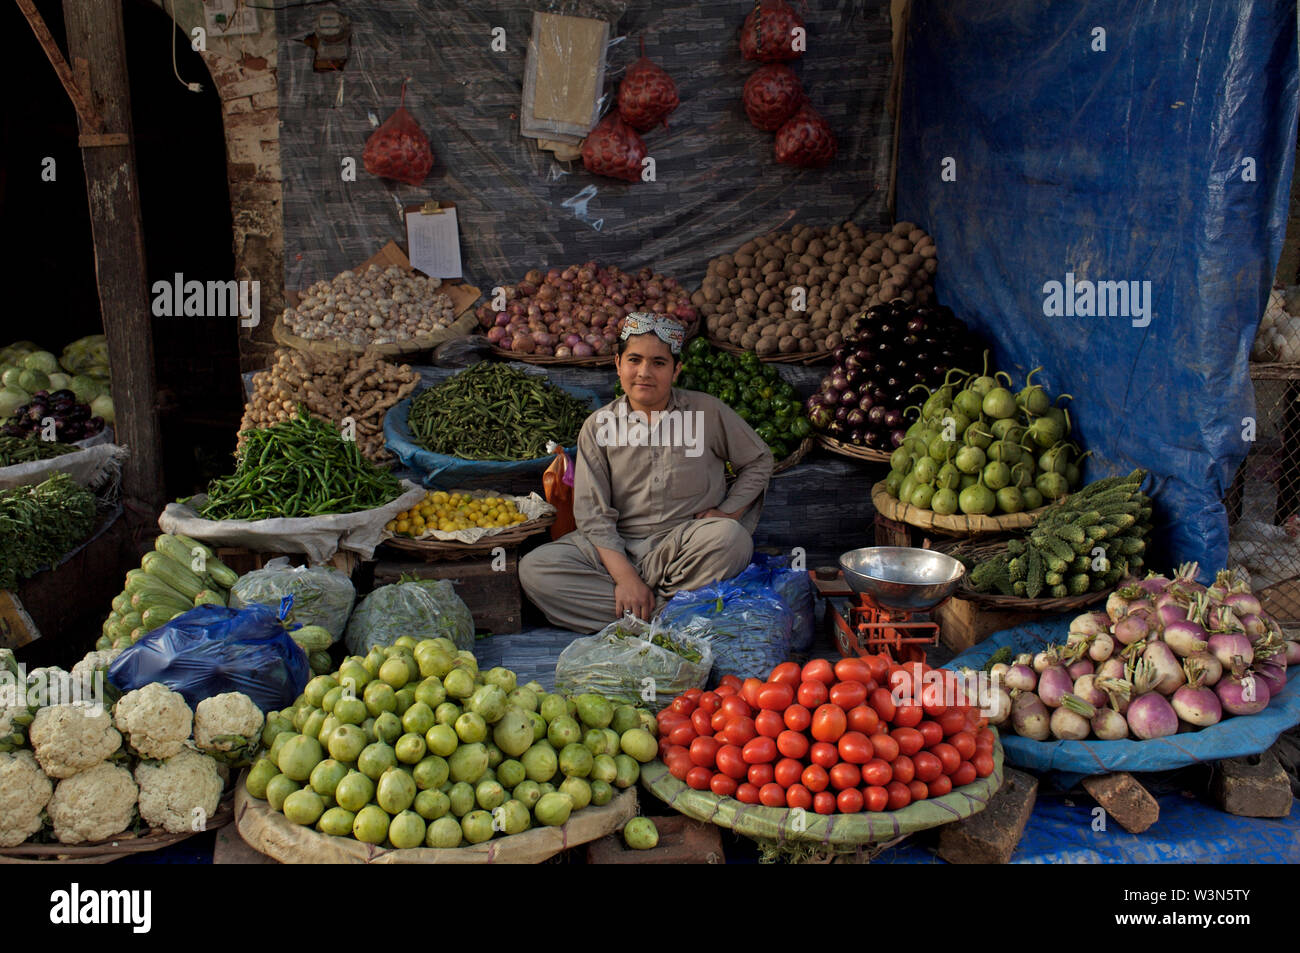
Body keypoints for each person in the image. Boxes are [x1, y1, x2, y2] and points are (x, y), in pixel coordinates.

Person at [520, 313, 773, 633]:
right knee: (535, 569)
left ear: (676, 370)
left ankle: (637, 616)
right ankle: (675, 614)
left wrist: (728, 511)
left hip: (684, 548)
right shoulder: (599, 425)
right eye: (634, 360)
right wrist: (625, 577)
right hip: (617, 550)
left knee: (730, 537)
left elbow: (759, 459)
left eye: (658, 363)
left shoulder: (706, 411)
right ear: (617, 363)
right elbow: (593, 513)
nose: (644, 372)